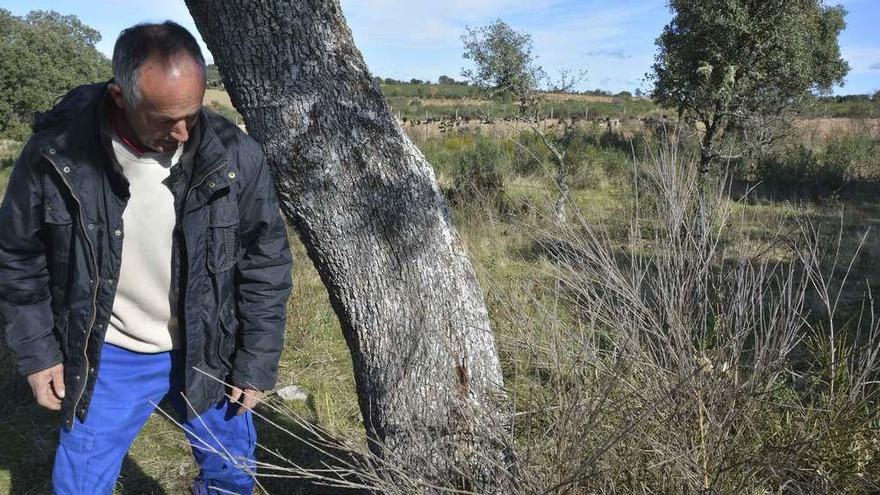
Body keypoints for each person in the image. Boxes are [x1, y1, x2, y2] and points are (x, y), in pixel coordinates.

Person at [0, 21, 293, 494]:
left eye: (192, 114)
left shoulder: (235, 154)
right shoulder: (54, 155)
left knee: (231, 475)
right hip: (110, 353)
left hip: (210, 349)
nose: (181, 133)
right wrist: (39, 356)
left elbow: (266, 263)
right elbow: (16, 257)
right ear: (120, 97)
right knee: (78, 485)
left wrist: (255, 363)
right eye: (163, 119)